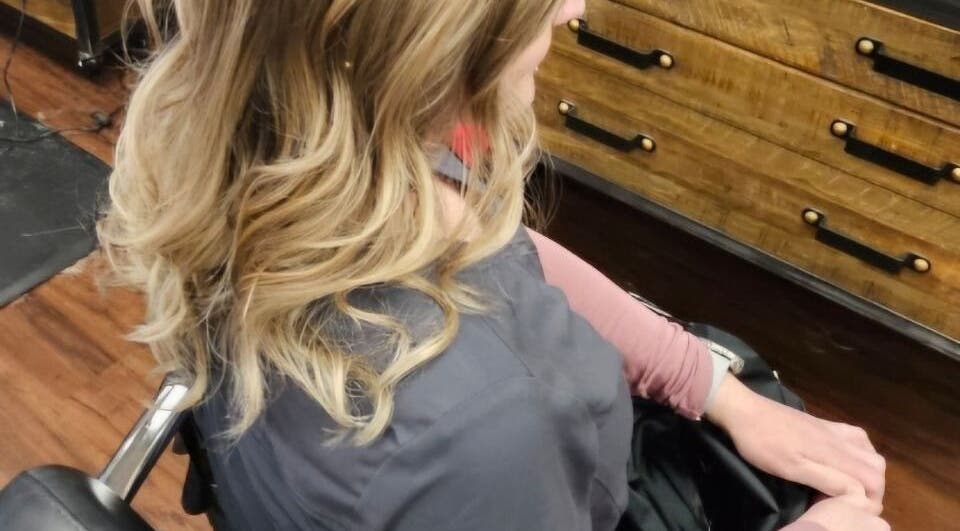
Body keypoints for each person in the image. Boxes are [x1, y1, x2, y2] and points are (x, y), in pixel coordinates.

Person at [96, 1, 888, 529]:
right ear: (428, 33)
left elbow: (503, 246)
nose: (574, 8)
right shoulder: (490, 431)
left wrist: (711, 387)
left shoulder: (255, 150)